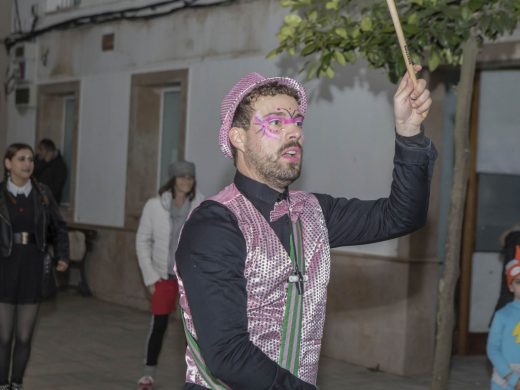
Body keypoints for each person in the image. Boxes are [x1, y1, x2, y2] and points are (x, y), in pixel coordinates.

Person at [174, 69, 436, 389]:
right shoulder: (215, 224)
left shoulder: (313, 212)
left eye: (297, 122)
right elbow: (228, 354)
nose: (294, 132)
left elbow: (402, 216)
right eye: (275, 123)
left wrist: (409, 132)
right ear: (238, 137)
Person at [0, 143, 69, 390]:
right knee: (3, 336)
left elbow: (59, 227)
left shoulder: (43, 193)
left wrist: (62, 255)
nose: (28, 163)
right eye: (21, 159)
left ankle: (16, 383)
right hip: (4, 267)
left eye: (30, 159)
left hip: (33, 266)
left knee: (24, 336)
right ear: (8, 164)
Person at [136, 161, 205, 390]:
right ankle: (148, 374)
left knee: (193, 330)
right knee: (159, 326)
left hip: (190, 278)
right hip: (163, 277)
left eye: (190, 177)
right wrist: (151, 277)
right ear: (173, 179)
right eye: (182, 177)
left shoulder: (200, 204)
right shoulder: (154, 206)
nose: (186, 181)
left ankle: (198, 376)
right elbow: (142, 241)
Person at [487, 250, 520, 390]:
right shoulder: (503, 315)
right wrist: (512, 377)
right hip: (505, 378)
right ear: (511, 287)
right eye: (519, 282)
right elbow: (493, 349)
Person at [33, 139, 67, 204]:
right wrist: (44, 163)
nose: (39, 152)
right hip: (35, 198)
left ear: (49, 151)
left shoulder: (60, 165)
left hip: (51, 201)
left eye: (41, 149)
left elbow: (57, 187)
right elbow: (32, 173)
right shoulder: (37, 160)